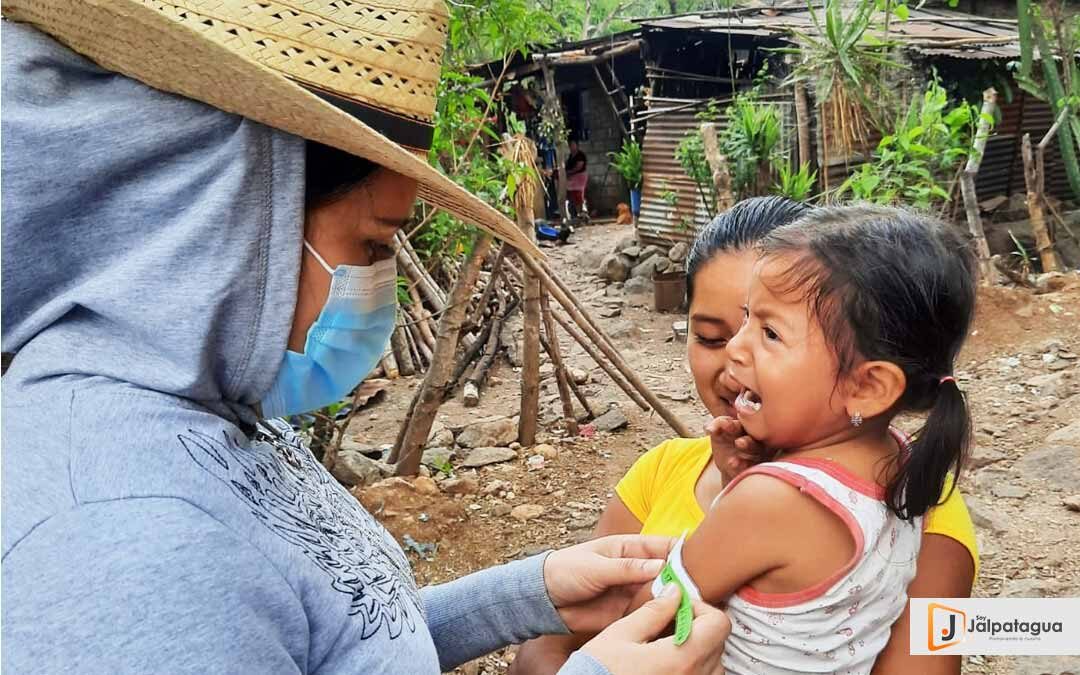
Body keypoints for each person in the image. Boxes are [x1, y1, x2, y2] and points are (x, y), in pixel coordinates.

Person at [0, 2, 733, 673]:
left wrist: (529, 594)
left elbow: (342, 641)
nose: (385, 286)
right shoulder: (120, 543)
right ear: (228, 220)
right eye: (375, 245)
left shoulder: (216, 414)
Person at [513, 197, 979, 674]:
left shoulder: (930, 512)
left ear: (868, 386)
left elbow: (638, 619)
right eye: (713, 338)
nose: (735, 353)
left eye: (770, 333)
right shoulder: (898, 475)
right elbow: (551, 642)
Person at [566, 140, 589, 220]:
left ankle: (582, 214)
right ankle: (576, 214)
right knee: (573, 196)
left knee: (579, 195)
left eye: (573, 144)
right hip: (572, 178)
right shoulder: (570, 156)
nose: (572, 147)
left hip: (580, 177)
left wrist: (569, 172)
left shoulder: (580, 155)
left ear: (577, 145)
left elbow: (579, 167)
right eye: (570, 145)